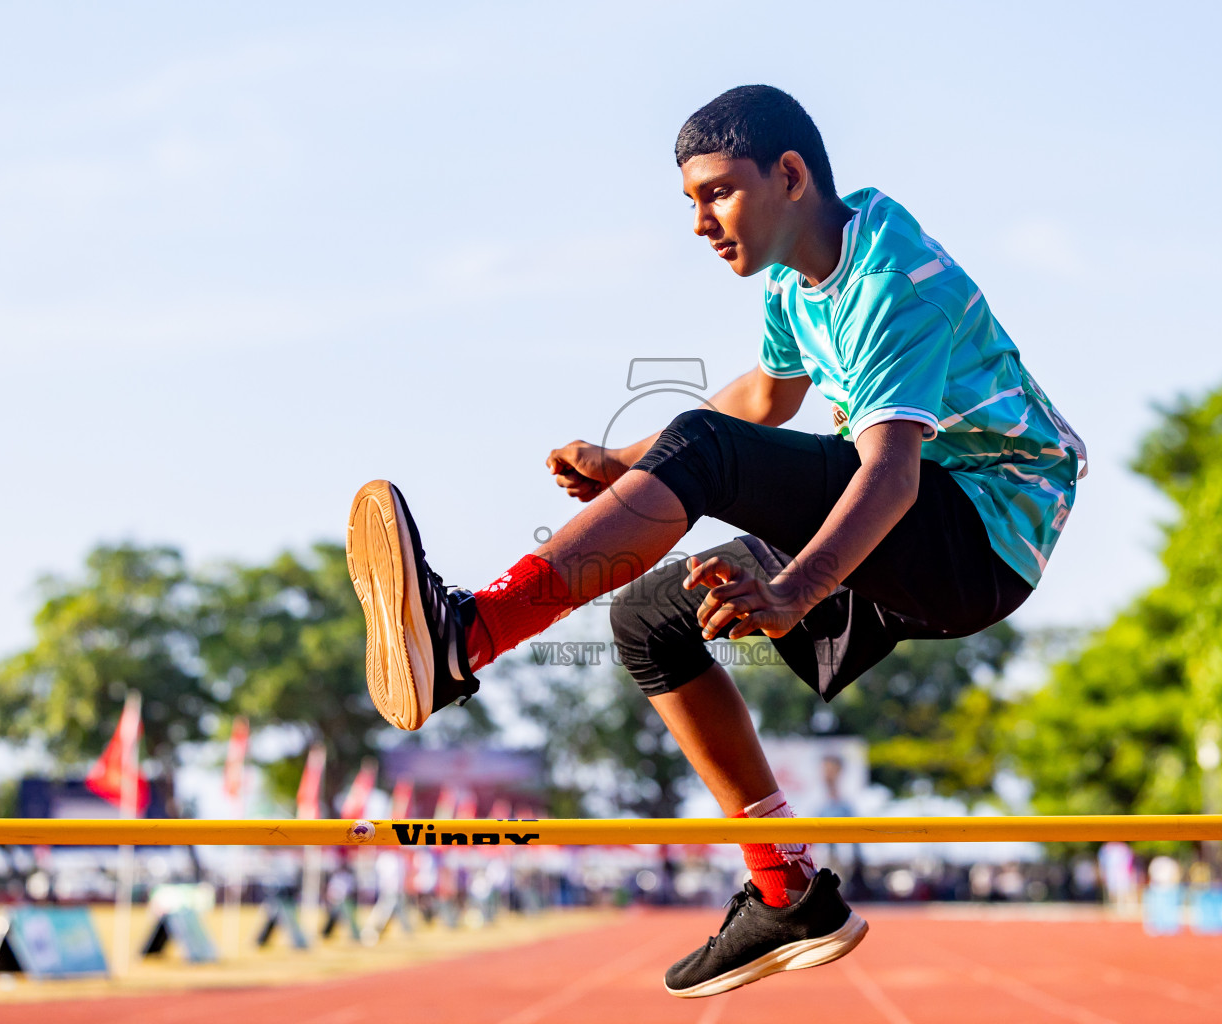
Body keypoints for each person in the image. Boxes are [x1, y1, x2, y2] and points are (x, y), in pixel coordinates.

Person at [345, 84, 1086, 997]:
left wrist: (798, 588)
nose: (700, 222)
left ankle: (466, 637)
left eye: (718, 194)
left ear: (789, 175)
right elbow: (767, 399)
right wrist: (626, 460)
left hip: (978, 530)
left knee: (712, 455)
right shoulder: (794, 278)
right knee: (650, 619)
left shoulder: (893, 284)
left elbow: (889, 476)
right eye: (689, 201)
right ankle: (787, 891)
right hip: (903, 520)